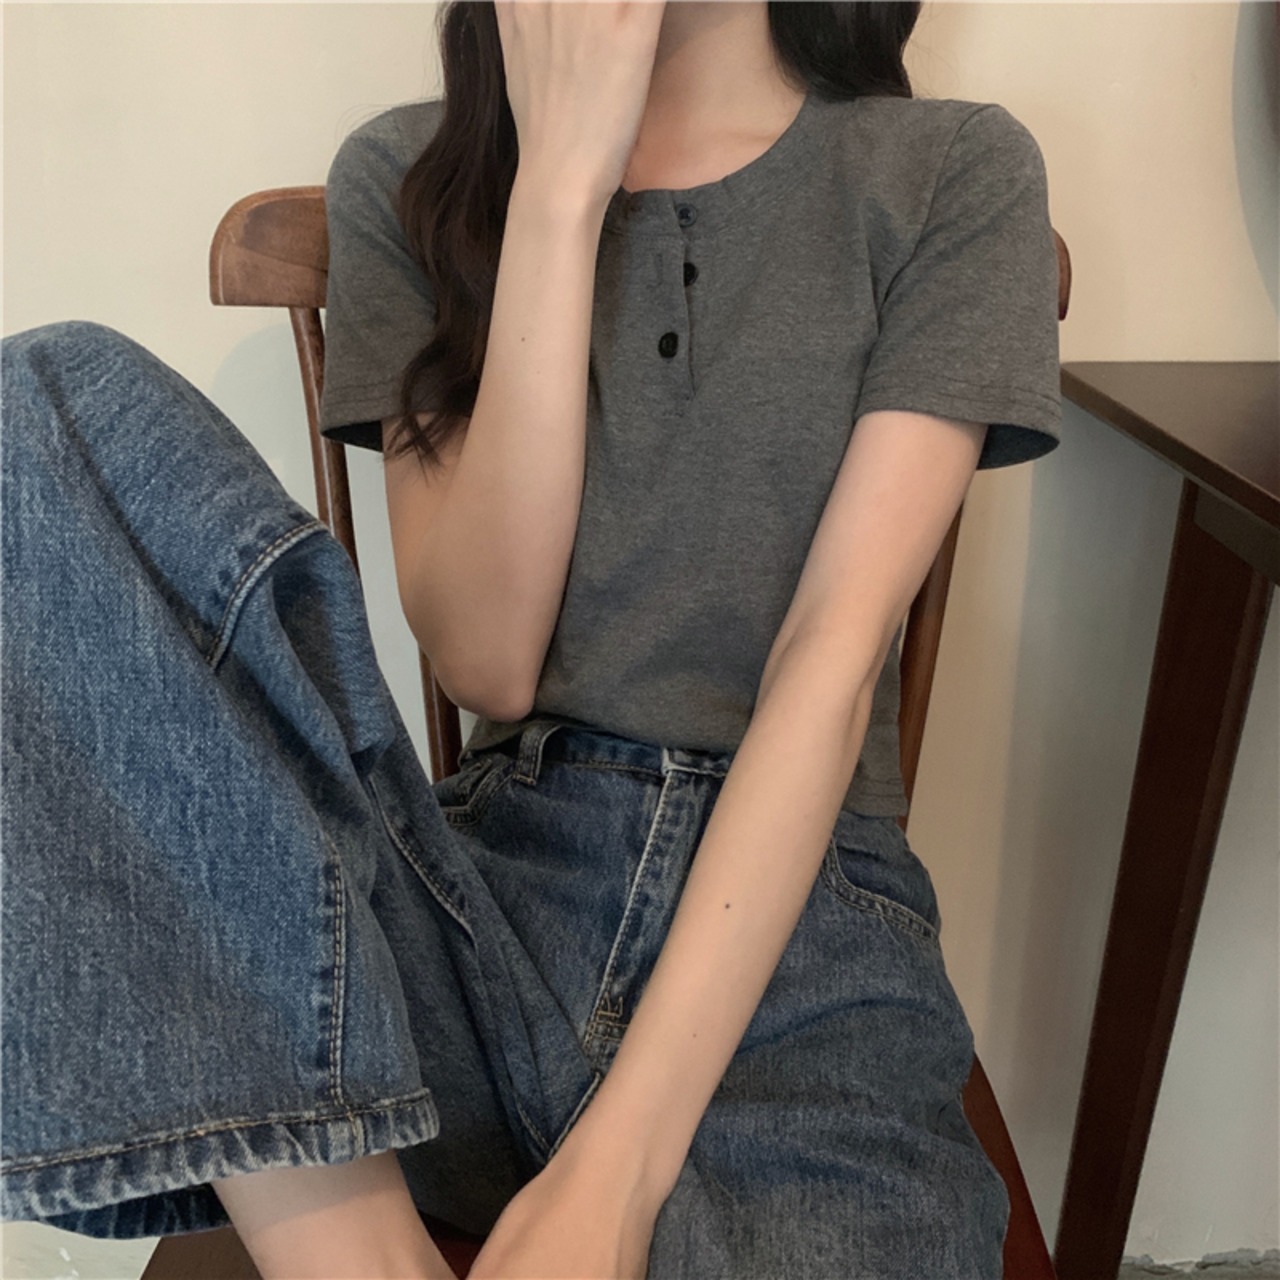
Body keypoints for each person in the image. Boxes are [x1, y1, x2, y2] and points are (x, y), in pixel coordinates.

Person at [1, 2, 1061, 1277]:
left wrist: (616, 1173)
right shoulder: (409, 176)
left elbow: (828, 663)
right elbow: (486, 661)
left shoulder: (949, 170)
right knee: (41, 404)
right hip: (480, 910)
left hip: (796, 946)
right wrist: (560, 180)